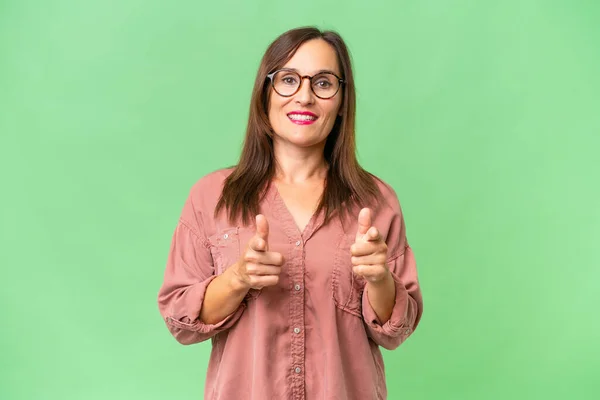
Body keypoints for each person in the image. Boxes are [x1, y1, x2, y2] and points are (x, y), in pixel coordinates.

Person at [157, 26, 423, 400]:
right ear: (265, 93)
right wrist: (237, 279)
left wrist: (380, 279)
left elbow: (394, 331)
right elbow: (180, 320)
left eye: (324, 83)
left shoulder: (376, 202)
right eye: (288, 79)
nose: (305, 96)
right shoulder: (212, 197)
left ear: (342, 100)